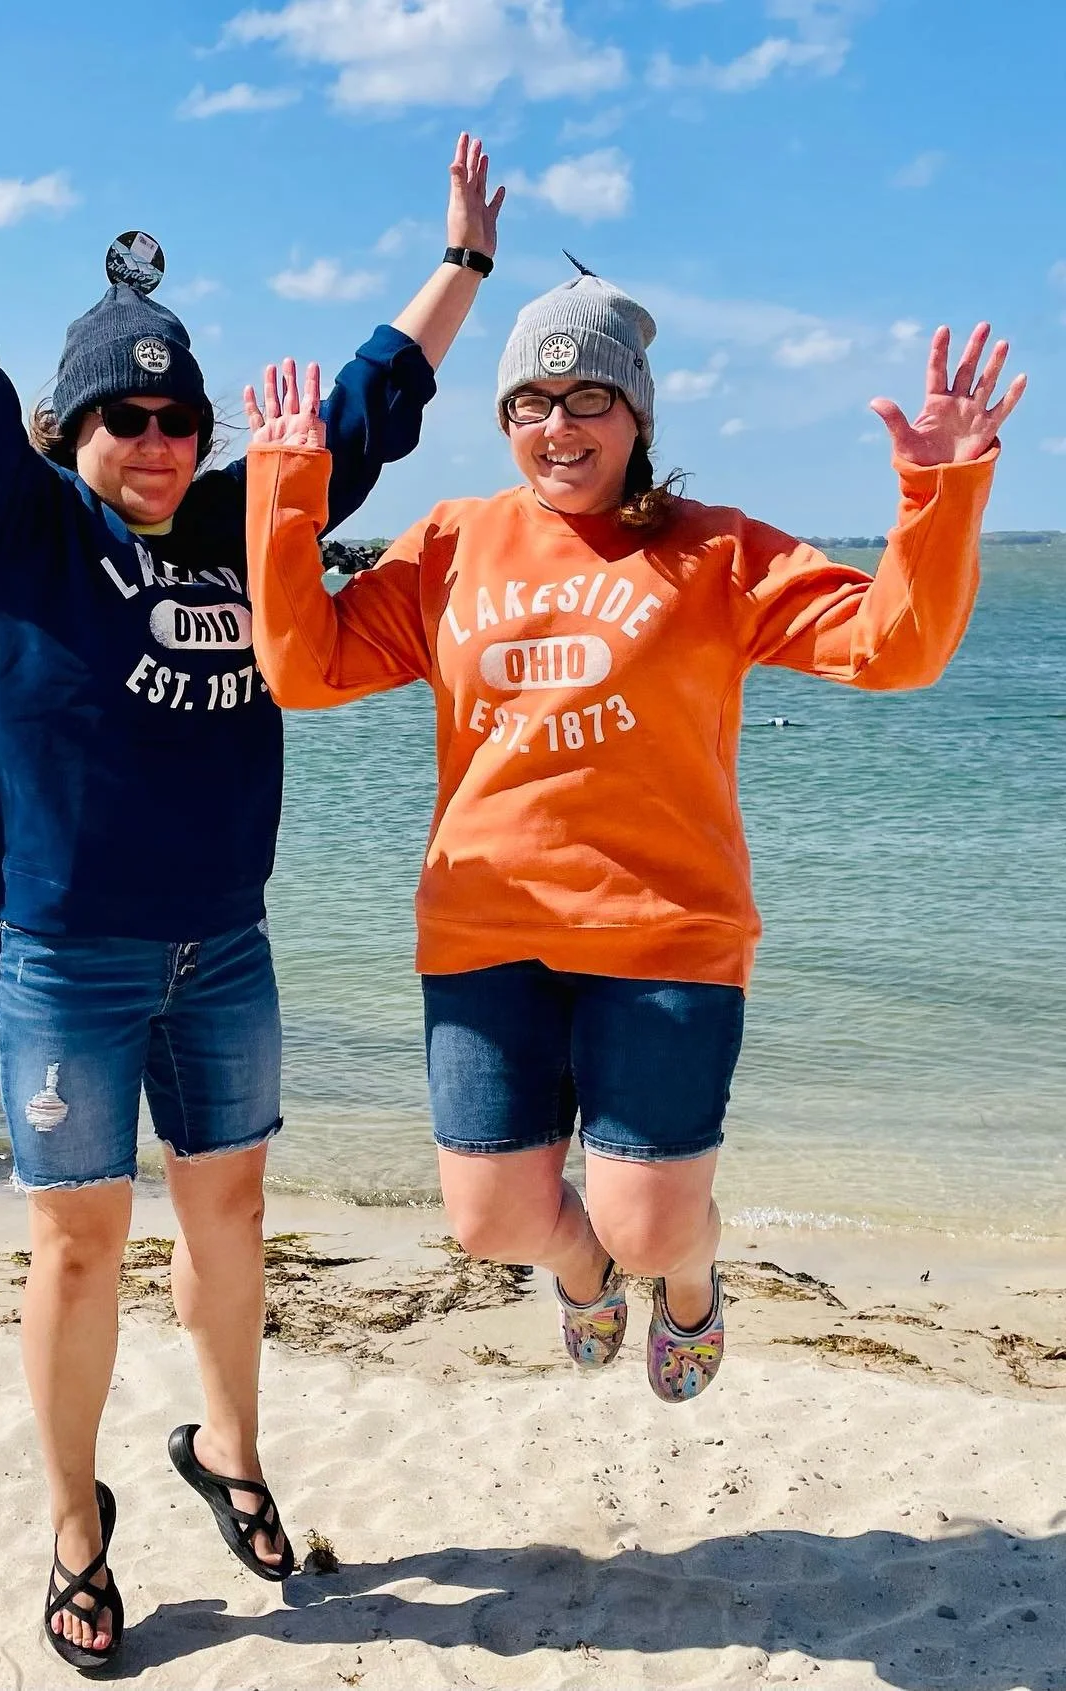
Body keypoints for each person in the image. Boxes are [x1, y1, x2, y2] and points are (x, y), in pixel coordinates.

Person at [0, 0, 504, 1671]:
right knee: (81, 1240)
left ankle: (230, 1450)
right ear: (79, 432)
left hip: (223, 948)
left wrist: (457, 262)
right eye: (128, 424)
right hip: (62, 953)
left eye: (180, 423)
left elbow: (369, 412)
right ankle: (74, 1524)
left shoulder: (252, 521)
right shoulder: (16, 528)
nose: (160, 448)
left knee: (234, 1217)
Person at [243, 261, 1025, 1412]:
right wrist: (284, 488)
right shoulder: (454, 543)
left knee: (654, 1227)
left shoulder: (714, 552)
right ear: (506, 419)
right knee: (496, 1218)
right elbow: (302, 669)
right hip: (484, 932)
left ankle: (689, 1273)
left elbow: (892, 649)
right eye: (530, 404)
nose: (557, 427)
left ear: (637, 414)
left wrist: (941, 489)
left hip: (667, 933)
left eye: (585, 399)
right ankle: (581, 1271)